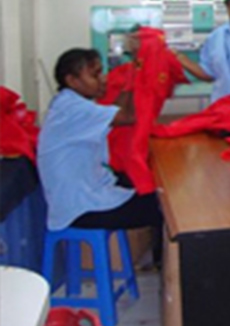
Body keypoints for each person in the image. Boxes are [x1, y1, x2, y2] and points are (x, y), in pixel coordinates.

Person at [37, 48, 163, 262]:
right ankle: (167, 270)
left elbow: (117, 111)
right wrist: (135, 79)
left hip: (82, 195)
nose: (103, 79)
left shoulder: (70, 103)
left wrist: (130, 81)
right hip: (81, 208)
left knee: (144, 187)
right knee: (165, 207)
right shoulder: (74, 109)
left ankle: (161, 263)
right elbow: (128, 116)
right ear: (72, 81)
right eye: (94, 75)